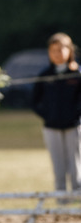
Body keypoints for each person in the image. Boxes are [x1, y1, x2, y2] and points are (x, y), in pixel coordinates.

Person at [32, 32, 81, 192]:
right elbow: (35, 101)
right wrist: (48, 115)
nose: (57, 54)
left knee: (75, 164)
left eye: (60, 50)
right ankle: (61, 198)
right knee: (58, 166)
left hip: (74, 126)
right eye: (53, 50)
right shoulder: (45, 75)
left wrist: (75, 115)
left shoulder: (77, 74)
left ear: (69, 51)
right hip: (51, 127)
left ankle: (77, 196)